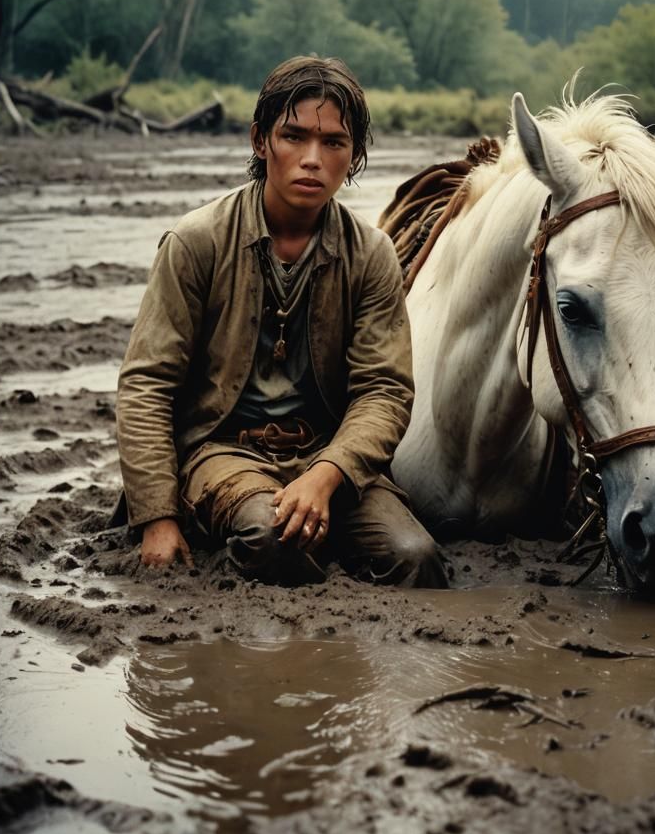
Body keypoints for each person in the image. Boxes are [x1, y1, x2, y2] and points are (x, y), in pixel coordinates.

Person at [115, 55, 447, 588]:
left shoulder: (371, 255)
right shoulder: (197, 242)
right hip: (222, 450)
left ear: (354, 155)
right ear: (260, 140)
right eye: (293, 136)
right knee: (270, 541)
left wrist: (327, 474)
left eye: (334, 143)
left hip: (326, 450)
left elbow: (383, 390)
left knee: (415, 557)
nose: (312, 160)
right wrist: (157, 516)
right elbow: (146, 386)